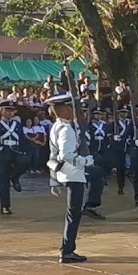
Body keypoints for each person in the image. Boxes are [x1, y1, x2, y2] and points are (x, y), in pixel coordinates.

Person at [44, 92, 91, 263]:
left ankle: (68, 248)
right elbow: (65, 155)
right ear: (64, 110)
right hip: (73, 174)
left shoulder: (56, 127)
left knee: (73, 213)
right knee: (73, 215)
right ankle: (67, 251)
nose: (74, 111)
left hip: (64, 173)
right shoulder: (66, 129)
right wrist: (85, 161)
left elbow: (53, 155)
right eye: (71, 108)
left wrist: (53, 179)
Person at [0, 99, 29, 216]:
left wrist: (23, 150)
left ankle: (15, 177)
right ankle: (5, 206)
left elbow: (21, 139)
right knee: (3, 179)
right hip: (3, 152)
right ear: (1, 110)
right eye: (7, 110)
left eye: (12, 110)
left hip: (16, 150)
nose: (10, 113)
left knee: (25, 162)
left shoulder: (17, 124)